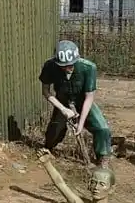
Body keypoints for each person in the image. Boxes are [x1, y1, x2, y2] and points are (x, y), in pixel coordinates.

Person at [38, 40, 113, 169]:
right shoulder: (49, 66)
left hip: (82, 101)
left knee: (102, 128)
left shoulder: (89, 68)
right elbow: (45, 91)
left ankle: (103, 157)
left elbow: (89, 97)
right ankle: (49, 149)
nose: (68, 68)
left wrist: (81, 123)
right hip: (61, 101)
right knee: (54, 130)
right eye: (64, 66)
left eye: (71, 64)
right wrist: (63, 109)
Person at [35, 148, 118, 203]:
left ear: (112, 189)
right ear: (89, 184)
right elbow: (60, 184)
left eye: (102, 184)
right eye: (93, 182)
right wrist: (47, 163)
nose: (96, 187)